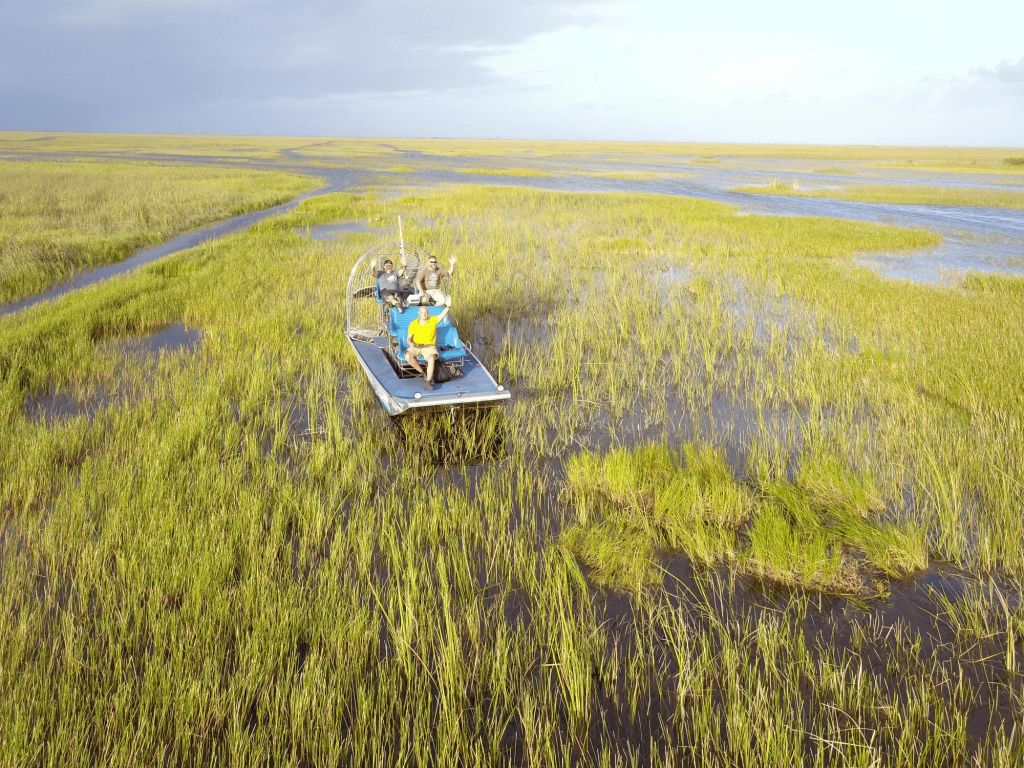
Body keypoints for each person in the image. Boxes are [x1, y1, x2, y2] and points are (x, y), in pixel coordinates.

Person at [405, 299, 450, 390]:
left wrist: (448, 307)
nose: (424, 314)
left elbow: (442, 315)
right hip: (416, 346)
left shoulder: (433, 320)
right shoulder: (413, 324)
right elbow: (408, 338)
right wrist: (411, 343)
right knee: (408, 356)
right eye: (422, 312)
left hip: (429, 346)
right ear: (419, 313)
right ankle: (423, 373)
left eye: (426, 312)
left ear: (428, 313)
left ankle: (428, 382)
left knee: (431, 357)